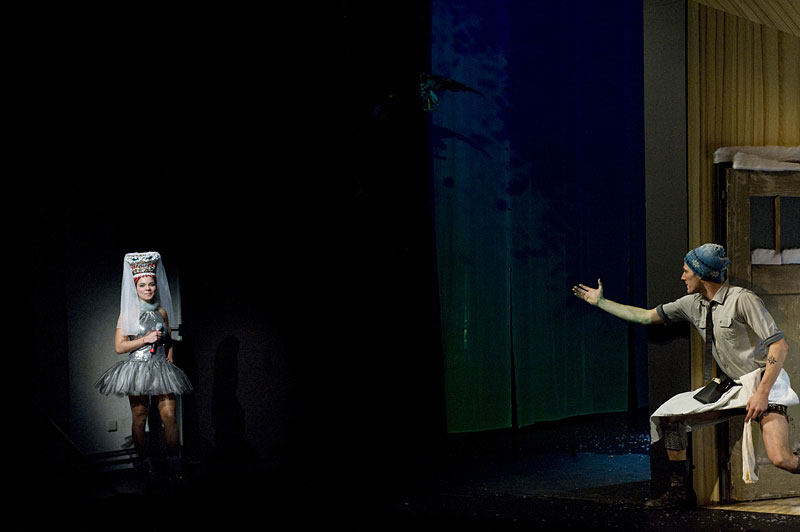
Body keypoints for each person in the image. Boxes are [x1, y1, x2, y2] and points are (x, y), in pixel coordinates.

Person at [572, 243, 799, 510]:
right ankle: (679, 492)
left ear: (701, 274)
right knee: (670, 418)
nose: (682, 277)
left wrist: (762, 393)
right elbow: (646, 316)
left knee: (781, 458)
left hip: (764, 382)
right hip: (735, 386)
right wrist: (601, 302)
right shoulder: (692, 304)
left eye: (686, 271)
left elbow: (778, 346)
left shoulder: (742, 299)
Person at [96, 251, 193, 483]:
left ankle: (176, 466)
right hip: (138, 369)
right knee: (140, 417)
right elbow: (119, 347)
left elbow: (168, 340)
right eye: (143, 285)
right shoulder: (128, 315)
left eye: (151, 284)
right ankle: (145, 466)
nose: (148, 289)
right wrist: (145, 339)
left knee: (169, 416)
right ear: (136, 287)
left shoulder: (161, 312)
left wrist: (169, 357)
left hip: (160, 368)